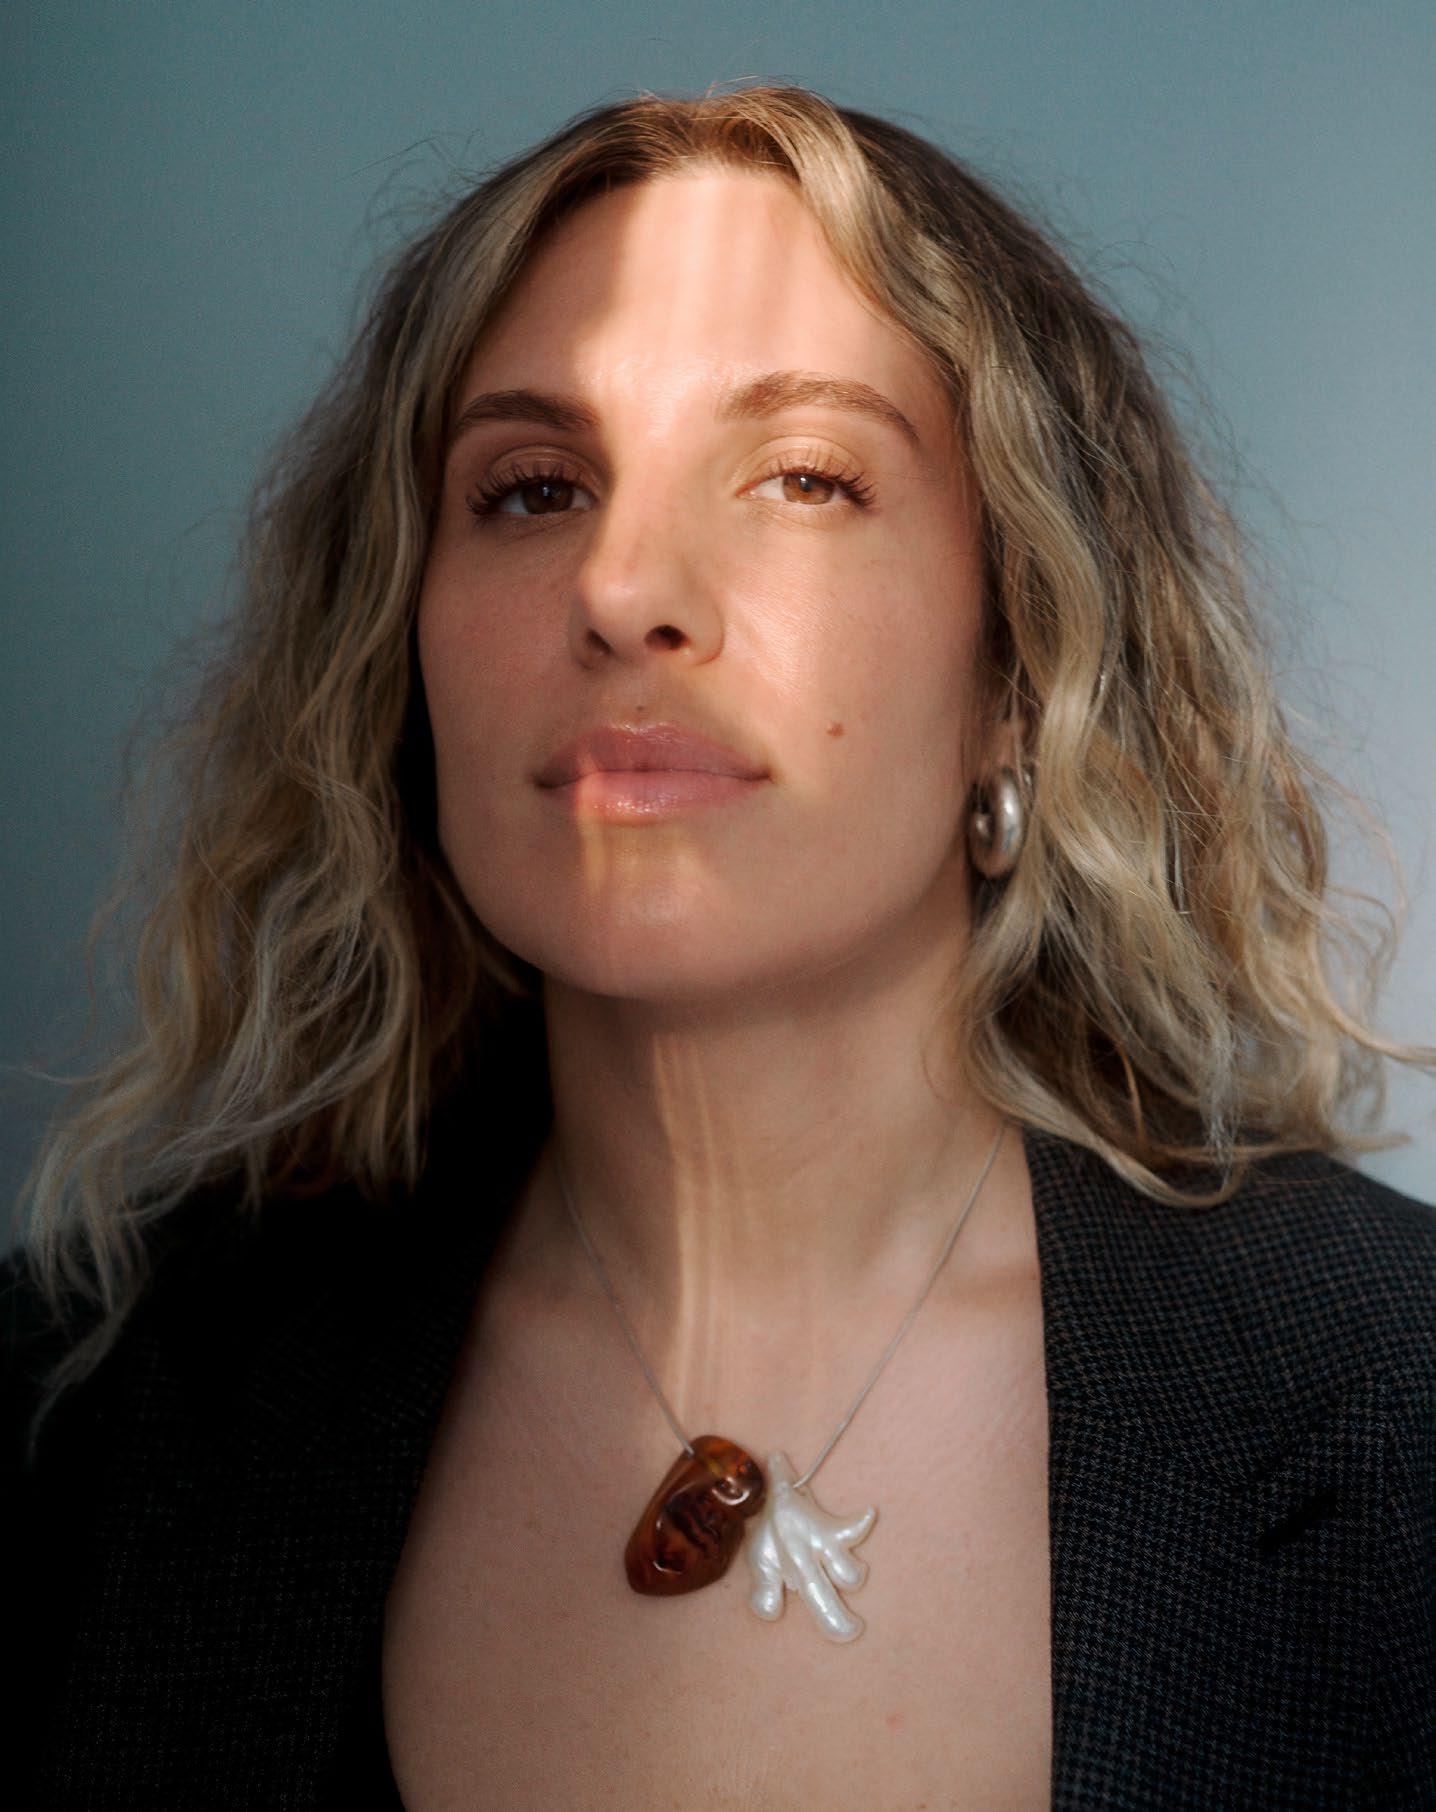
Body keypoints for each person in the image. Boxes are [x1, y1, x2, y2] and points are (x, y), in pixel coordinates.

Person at [4, 80, 1433, 1811]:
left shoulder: (1393, 1399)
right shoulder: (97, 1399)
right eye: (533, 488)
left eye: (806, 478)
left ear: (1020, 676)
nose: (623, 588)